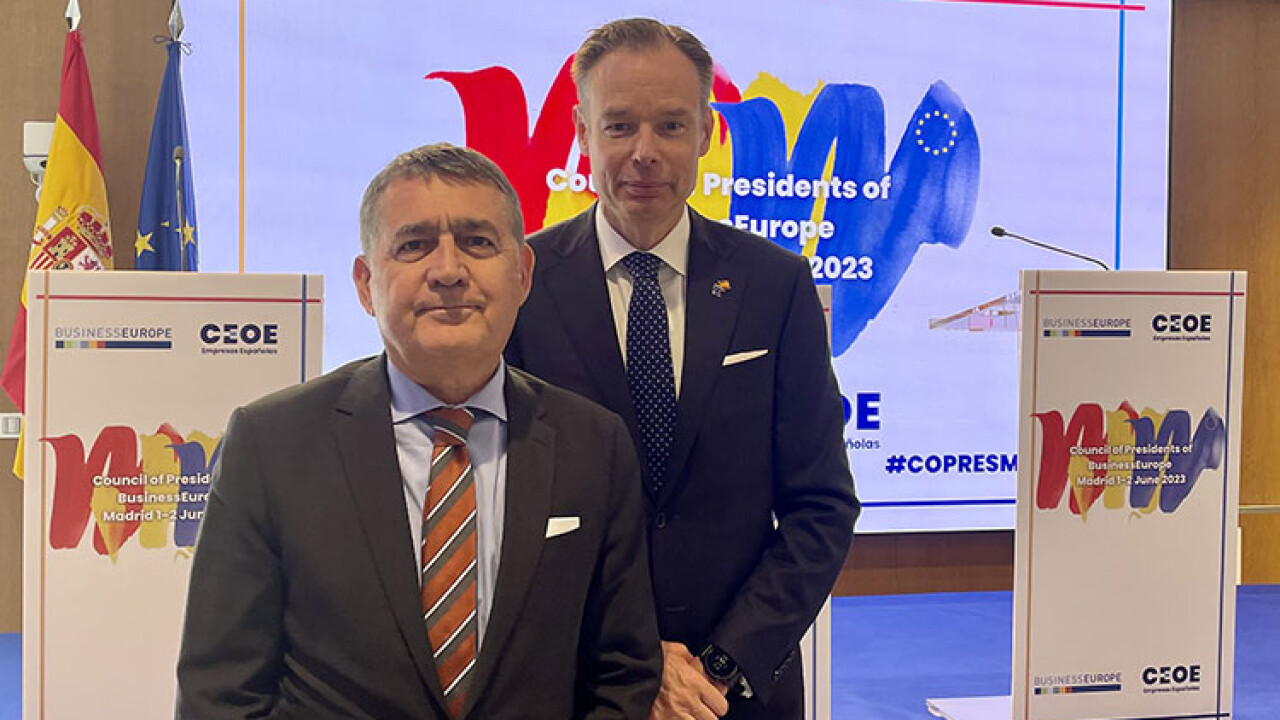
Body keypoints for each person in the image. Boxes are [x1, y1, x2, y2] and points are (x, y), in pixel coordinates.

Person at [176, 143, 662, 720]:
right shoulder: (271, 445)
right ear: (365, 284)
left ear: (523, 274)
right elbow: (220, 694)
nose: (449, 271)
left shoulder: (594, 445)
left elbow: (623, 674)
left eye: (477, 242)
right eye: (414, 245)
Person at [506, 18, 860, 720]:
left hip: (733, 693)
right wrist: (637, 657)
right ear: (582, 132)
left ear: (705, 131)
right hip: (578, 683)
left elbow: (821, 505)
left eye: (670, 125)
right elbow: (507, 512)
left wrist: (721, 664)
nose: (644, 152)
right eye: (619, 126)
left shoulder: (775, 284)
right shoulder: (521, 283)